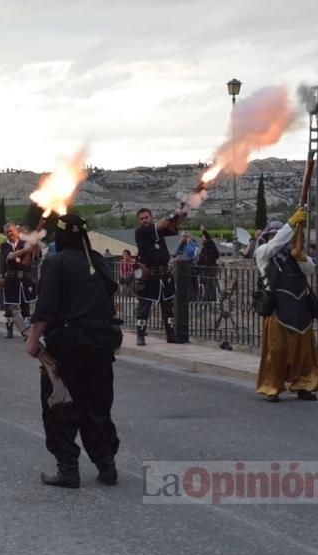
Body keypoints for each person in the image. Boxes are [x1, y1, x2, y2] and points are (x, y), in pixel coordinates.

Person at [24, 214, 122, 489]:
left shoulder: (55, 262)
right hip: (101, 343)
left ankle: (68, 469)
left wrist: (32, 341)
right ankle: (106, 465)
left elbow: (46, 307)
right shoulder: (98, 261)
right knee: (98, 405)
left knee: (61, 404)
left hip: (67, 346)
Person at [254, 209, 318, 402]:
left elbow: (309, 269)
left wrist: (301, 257)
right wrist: (291, 223)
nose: (278, 238)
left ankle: (304, 385)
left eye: (280, 234)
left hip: (300, 307)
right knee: (276, 352)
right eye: (273, 235)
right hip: (277, 308)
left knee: (305, 352)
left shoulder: (294, 254)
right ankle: (273, 387)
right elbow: (276, 245)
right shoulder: (262, 253)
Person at [133, 205, 186, 345]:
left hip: (163, 274)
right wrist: (174, 213)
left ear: (151, 216)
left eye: (147, 217)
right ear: (139, 221)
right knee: (144, 307)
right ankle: (140, 335)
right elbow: (164, 223)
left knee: (168, 307)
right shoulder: (141, 231)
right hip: (149, 275)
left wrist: (183, 212)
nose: (145, 220)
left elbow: (172, 225)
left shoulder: (157, 231)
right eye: (142, 218)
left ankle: (171, 335)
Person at [0, 223, 38, 339]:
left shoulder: (23, 243)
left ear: (16, 231)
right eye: (7, 232)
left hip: (24, 279)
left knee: (25, 305)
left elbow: (36, 255)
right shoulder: (4, 246)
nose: (10, 234)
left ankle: (27, 331)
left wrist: (34, 247)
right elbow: (10, 256)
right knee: (10, 306)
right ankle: (9, 329)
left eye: (11, 231)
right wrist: (25, 250)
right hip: (11, 279)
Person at [196, 226, 221, 302]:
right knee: (206, 285)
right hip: (204, 270)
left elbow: (210, 240)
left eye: (204, 238)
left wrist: (204, 232)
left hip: (210, 269)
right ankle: (207, 298)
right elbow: (200, 260)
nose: (203, 240)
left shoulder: (211, 247)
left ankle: (211, 299)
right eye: (202, 238)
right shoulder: (204, 249)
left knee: (211, 285)